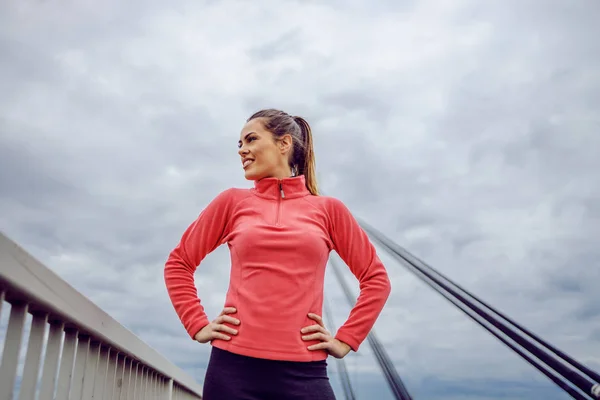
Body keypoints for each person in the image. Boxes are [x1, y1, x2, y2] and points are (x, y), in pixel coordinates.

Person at [164, 108, 392, 399]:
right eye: (239, 144)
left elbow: (376, 279)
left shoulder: (329, 210)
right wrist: (197, 323)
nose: (242, 150)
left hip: (304, 372)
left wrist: (345, 339)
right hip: (232, 370)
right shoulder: (231, 202)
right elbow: (179, 263)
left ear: (283, 144)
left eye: (250, 140)